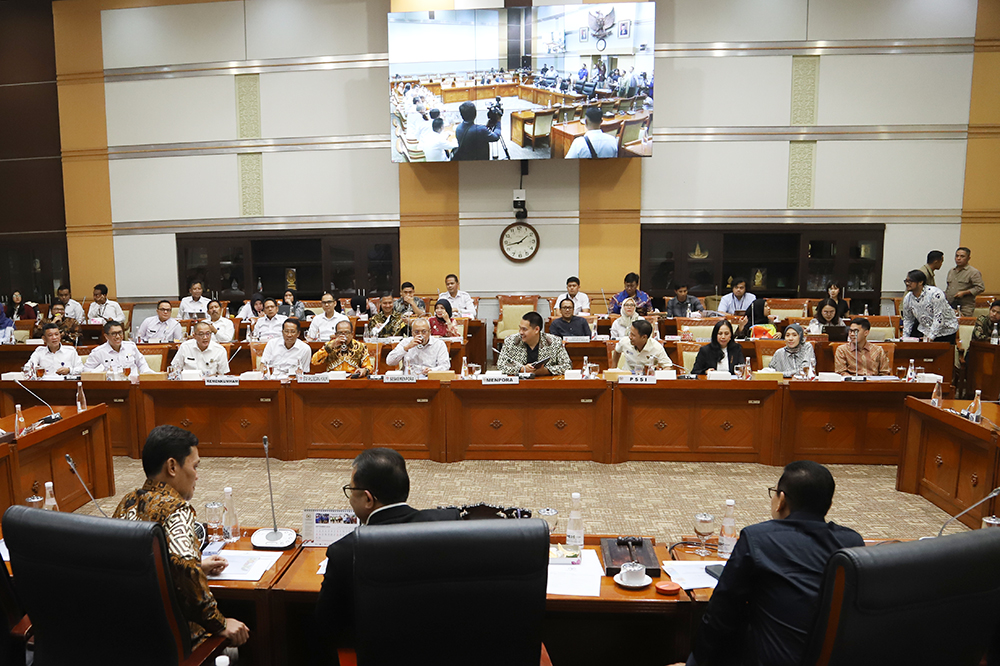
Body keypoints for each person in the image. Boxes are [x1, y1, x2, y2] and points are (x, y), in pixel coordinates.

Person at [689, 461, 863, 666]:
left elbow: (721, 613)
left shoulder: (758, 539)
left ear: (781, 500)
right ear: (828, 505)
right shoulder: (852, 543)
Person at [314, 448, 460, 661]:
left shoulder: (346, 551)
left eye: (351, 489)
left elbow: (326, 625)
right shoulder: (449, 525)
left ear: (368, 499)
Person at [114, 425, 249, 648]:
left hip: (128, 634)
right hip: (175, 641)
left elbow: (139, 566)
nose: (197, 475)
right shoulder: (178, 511)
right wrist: (221, 624)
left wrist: (198, 565)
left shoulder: (127, 502)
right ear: (172, 467)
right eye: (194, 466)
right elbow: (186, 573)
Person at [496, 312, 572, 376]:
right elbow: (500, 365)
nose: (520, 332)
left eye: (524, 329)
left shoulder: (554, 342)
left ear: (536, 330)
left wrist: (546, 371)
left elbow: (567, 366)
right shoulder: (511, 341)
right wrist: (521, 369)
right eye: (520, 328)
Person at [901, 269, 959, 343]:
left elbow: (939, 318)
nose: (907, 283)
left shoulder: (935, 294)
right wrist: (905, 338)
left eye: (910, 281)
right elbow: (908, 319)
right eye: (906, 281)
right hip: (925, 330)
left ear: (920, 282)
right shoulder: (908, 298)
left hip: (945, 331)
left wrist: (930, 337)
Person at [83, 320, 151, 375]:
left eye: (120, 333)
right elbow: (86, 371)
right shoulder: (98, 352)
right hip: (110, 387)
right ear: (106, 336)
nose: (118, 336)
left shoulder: (131, 346)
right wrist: (102, 373)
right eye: (114, 334)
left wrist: (147, 375)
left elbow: (143, 365)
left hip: (132, 385)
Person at [385, 318, 450, 375]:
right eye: (416, 332)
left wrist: (432, 370)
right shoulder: (406, 342)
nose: (420, 335)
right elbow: (389, 362)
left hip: (430, 379)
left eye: (424, 332)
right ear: (412, 333)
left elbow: (445, 366)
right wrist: (406, 348)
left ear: (430, 332)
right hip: (410, 380)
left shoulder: (439, 344)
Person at [945, 247, 985, 316]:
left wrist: (964, 292)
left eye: (962, 256)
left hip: (965, 307)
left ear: (968, 258)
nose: (958, 258)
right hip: (950, 305)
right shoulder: (951, 271)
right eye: (957, 256)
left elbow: (980, 288)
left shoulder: (973, 272)